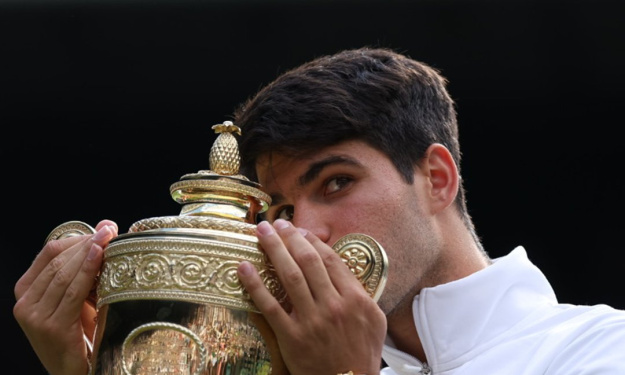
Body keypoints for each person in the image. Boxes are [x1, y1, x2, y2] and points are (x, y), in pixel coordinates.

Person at [14, 47, 625, 375]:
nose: (301, 231)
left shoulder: (597, 350)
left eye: (335, 182)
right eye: (276, 206)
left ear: (436, 179)